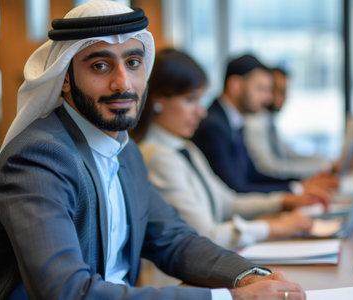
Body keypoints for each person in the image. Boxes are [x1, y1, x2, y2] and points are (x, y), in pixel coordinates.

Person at [0, 2, 306, 299]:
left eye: (133, 62)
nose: (123, 83)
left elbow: (174, 240)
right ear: (65, 79)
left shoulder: (124, 151)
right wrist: (229, 299)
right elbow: (66, 292)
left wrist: (250, 276)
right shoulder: (40, 158)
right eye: (100, 66)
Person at [134, 48, 313, 249]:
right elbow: (205, 235)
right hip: (182, 278)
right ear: (158, 99)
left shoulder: (185, 147)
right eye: (190, 100)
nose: (201, 112)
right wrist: (275, 227)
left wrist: (283, 201)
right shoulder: (158, 157)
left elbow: (228, 203)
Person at [192, 54, 337, 205]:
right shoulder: (213, 127)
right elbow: (236, 188)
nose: (267, 99)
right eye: (260, 89)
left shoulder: (232, 121)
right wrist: (295, 191)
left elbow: (253, 175)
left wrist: (298, 186)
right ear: (235, 85)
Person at [244, 67, 332, 179]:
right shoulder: (254, 123)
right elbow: (271, 168)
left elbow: (289, 154)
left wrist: (326, 163)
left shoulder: (267, 120)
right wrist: (322, 167)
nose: (285, 98)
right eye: (281, 92)